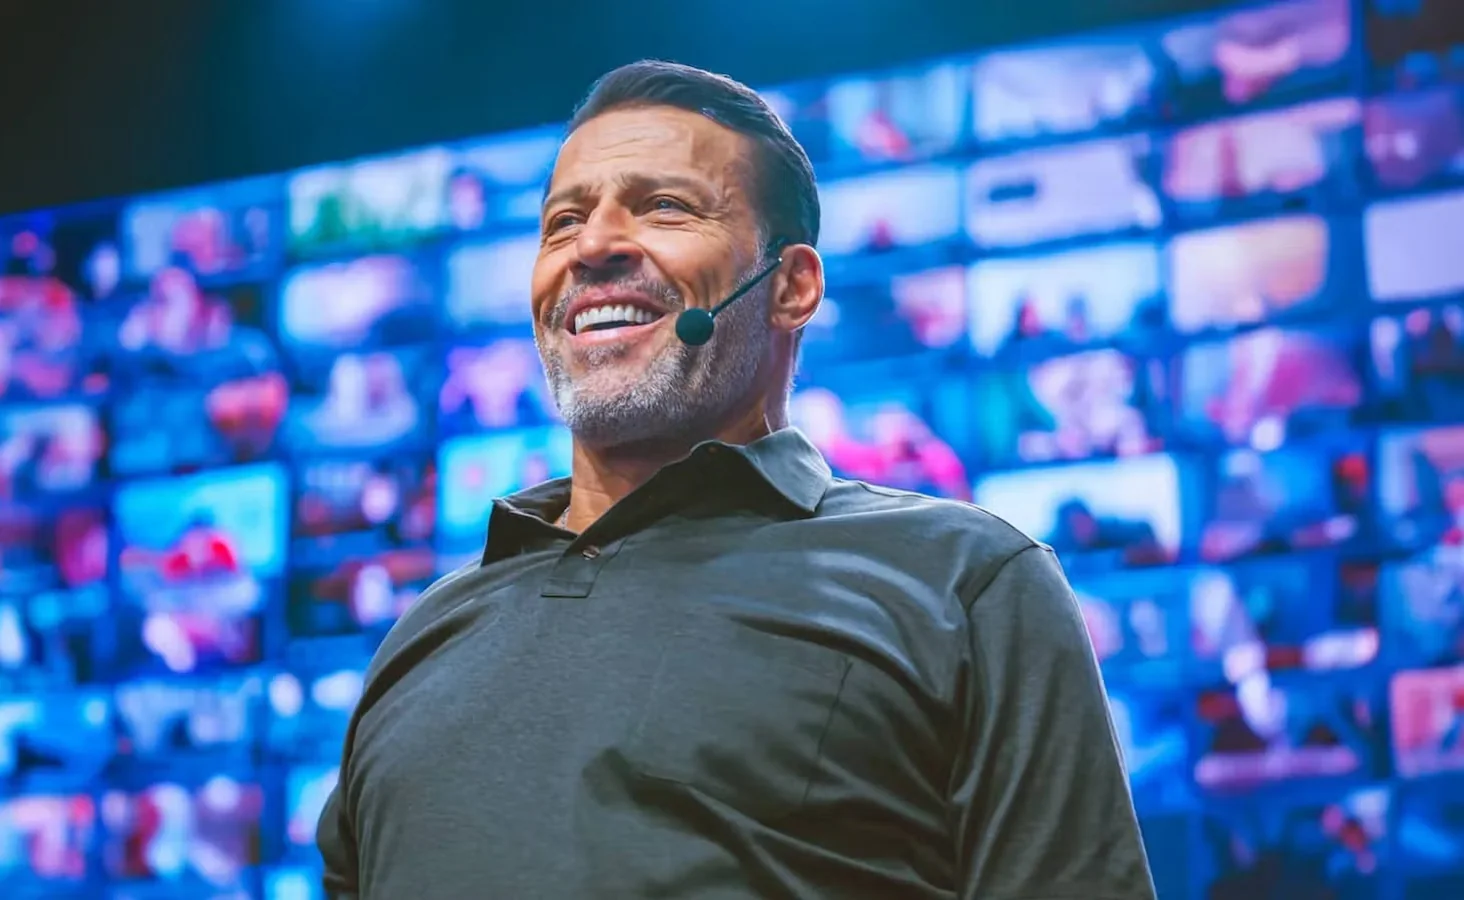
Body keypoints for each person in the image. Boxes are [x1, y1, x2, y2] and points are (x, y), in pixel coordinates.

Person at [317, 59, 1156, 899]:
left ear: (791, 287)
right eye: (561, 222)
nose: (595, 246)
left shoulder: (964, 583)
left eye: (666, 207)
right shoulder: (423, 636)